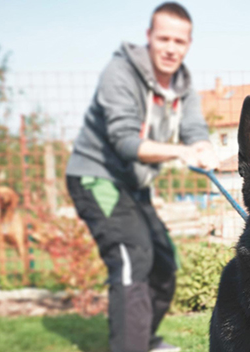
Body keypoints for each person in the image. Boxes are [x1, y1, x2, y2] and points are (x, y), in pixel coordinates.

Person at [64, 2, 217, 352]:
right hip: (97, 178)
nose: (170, 48)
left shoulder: (184, 86)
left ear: (189, 44)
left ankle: (143, 340)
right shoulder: (119, 73)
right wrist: (181, 152)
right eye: (163, 38)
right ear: (148, 37)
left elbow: (194, 128)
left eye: (179, 41)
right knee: (133, 256)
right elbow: (125, 141)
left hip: (134, 185)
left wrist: (204, 147)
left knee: (164, 263)